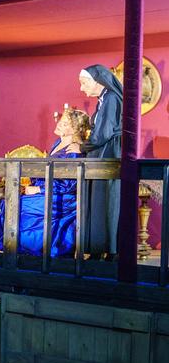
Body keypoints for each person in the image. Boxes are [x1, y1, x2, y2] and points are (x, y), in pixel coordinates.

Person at [0, 107, 90, 256]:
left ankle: (27, 248)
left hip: (62, 196)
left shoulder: (73, 151)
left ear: (75, 129)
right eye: (61, 121)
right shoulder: (57, 143)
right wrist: (32, 184)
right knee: (11, 200)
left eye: (65, 123)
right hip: (47, 189)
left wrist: (38, 190)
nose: (59, 124)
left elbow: (69, 184)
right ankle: (21, 249)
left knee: (17, 204)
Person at [80, 64, 124, 259]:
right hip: (102, 154)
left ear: (96, 81)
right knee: (99, 201)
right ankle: (99, 248)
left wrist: (82, 147)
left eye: (83, 83)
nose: (82, 88)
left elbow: (104, 133)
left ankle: (111, 251)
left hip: (108, 154)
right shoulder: (103, 99)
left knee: (108, 201)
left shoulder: (111, 98)